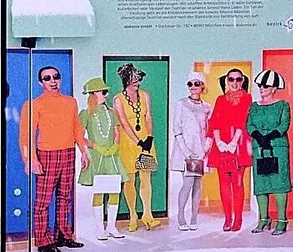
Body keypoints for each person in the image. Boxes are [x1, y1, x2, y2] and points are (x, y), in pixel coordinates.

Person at [18, 65, 89, 252]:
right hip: (46, 155)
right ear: (41, 83)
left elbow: (76, 128)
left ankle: (64, 236)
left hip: (68, 154)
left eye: (56, 77)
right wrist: (30, 159)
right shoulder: (33, 104)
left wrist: (83, 151)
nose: (52, 81)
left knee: (65, 197)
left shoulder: (71, 102)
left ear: (60, 79)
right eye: (47, 78)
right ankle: (42, 240)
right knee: (42, 201)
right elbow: (26, 135)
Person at [113, 63, 160, 231]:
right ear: (126, 80)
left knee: (146, 178)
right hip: (128, 143)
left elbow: (148, 116)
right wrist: (137, 141)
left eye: (138, 79)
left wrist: (149, 138)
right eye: (134, 79)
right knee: (130, 180)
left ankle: (148, 215)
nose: (137, 83)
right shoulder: (118, 99)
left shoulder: (145, 95)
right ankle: (133, 215)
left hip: (145, 141)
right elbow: (124, 123)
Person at [77, 77, 125, 241]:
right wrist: (94, 147)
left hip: (112, 156)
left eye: (107, 92)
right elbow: (79, 136)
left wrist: (114, 146)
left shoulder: (111, 112)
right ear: (93, 94)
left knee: (114, 191)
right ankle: (100, 228)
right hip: (97, 157)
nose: (106, 94)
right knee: (99, 191)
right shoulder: (86, 114)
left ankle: (111, 226)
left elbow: (117, 132)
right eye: (103, 92)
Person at [246, 69, 293, 235]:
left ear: (274, 88)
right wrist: (258, 136)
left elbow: (284, 124)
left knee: (278, 183)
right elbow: (249, 124)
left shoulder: (283, 105)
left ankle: (282, 220)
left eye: (265, 85)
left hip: (277, 147)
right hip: (259, 148)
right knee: (261, 184)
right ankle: (263, 219)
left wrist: (270, 136)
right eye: (260, 85)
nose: (262, 88)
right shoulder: (253, 106)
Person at [207, 67, 253, 232]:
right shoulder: (220, 99)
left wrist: (233, 142)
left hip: (239, 144)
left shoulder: (247, 98)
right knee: (224, 183)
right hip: (222, 144)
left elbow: (243, 120)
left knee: (238, 182)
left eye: (238, 79)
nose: (234, 83)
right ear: (227, 81)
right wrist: (219, 141)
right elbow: (214, 121)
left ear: (242, 81)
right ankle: (227, 218)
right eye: (231, 79)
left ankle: (238, 218)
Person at [171, 68, 213, 231]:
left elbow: (210, 130)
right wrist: (187, 152)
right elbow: (177, 128)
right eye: (190, 84)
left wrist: (204, 150)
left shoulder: (207, 107)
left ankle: (194, 217)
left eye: (197, 84)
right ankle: (181, 215)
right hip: (185, 151)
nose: (193, 87)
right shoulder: (182, 104)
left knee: (197, 184)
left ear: (202, 86)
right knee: (187, 183)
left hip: (201, 151)